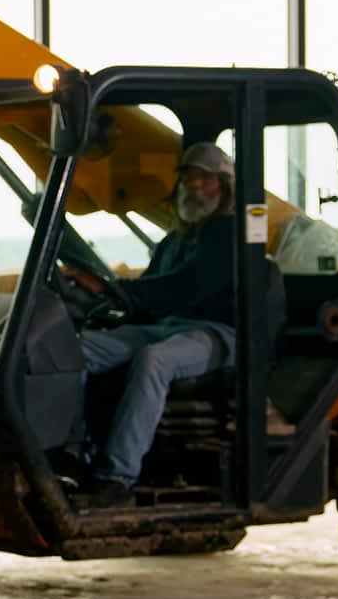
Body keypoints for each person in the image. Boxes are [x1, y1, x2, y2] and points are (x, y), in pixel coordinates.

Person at [63, 140, 240, 505]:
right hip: (168, 325)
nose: (194, 186)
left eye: (205, 179)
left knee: (154, 360)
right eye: (189, 177)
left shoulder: (227, 236)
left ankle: (117, 477)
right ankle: (73, 452)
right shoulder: (175, 240)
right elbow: (152, 291)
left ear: (222, 188)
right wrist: (109, 298)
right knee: (75, 349)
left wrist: (117, 288)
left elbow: (187, 287)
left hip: (216, 333)